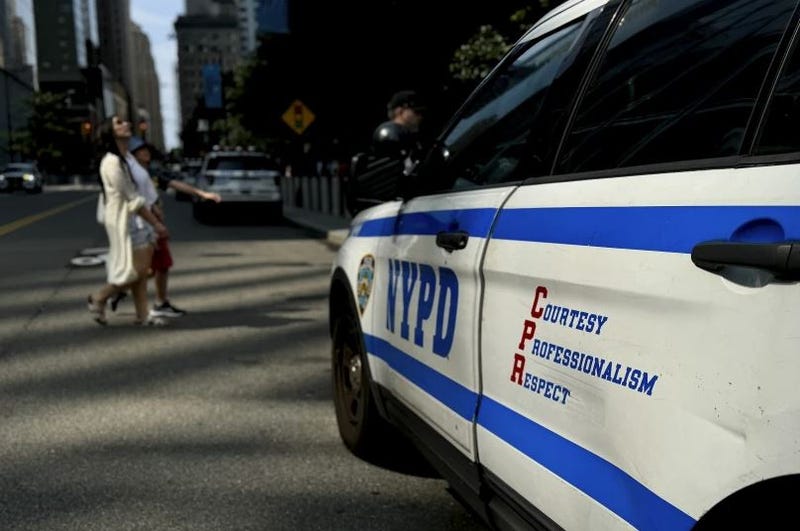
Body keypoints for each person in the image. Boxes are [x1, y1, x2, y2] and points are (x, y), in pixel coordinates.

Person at [109, 135, 221, 318]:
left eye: (146, 150)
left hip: (152, 223)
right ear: (132, 155)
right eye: (140, 151)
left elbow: (173, 183)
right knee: (152, 267)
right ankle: (113, 292)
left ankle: (136, 295)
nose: (145, 153)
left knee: (158, 266)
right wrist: (154, 218)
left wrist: (200, 193)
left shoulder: (150, 173)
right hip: (144, 226)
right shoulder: (130, 175)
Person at [87, 115, 169, 327]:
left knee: (141, 271)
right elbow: (132, 200)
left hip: (134, 219)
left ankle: (142, 314)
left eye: (126, 121)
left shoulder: (123, 158)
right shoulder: (111, 162)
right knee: (140, 270)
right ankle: (100, 297)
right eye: (119, 123)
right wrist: (156, 223)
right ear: (109, 131)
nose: (126, 124)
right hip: (126, 221)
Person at [372, 90, 426, 162]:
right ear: (400, 111)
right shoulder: (391, 134)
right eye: (416, 112)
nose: (420, 117)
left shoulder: (413, 138)